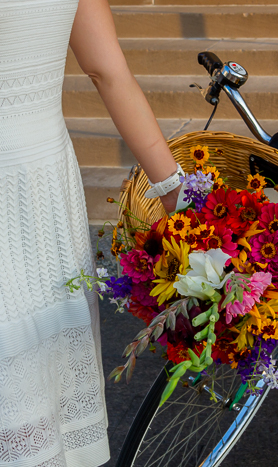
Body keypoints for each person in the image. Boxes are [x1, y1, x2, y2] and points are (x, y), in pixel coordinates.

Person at [0, 0, 183, 465]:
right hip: (41, 179)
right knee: (36, 358)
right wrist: (177, 195)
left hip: (24, 178)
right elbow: (108, 72)